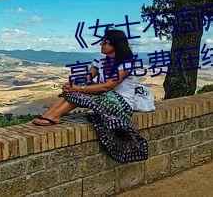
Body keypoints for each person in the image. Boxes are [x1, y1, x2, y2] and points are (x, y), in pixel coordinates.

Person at [32, 29, 148, 162]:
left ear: (115, 45)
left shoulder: (125, 64)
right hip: (104, 97)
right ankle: (50, 114)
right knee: (74, 88)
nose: (101, 44)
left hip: (121, 104)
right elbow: (87, 77)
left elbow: (108, 86)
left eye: (105, 42)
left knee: (81, 93)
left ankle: (55, 115)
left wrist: (79, 88)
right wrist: (71, 85)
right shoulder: (99, 61)